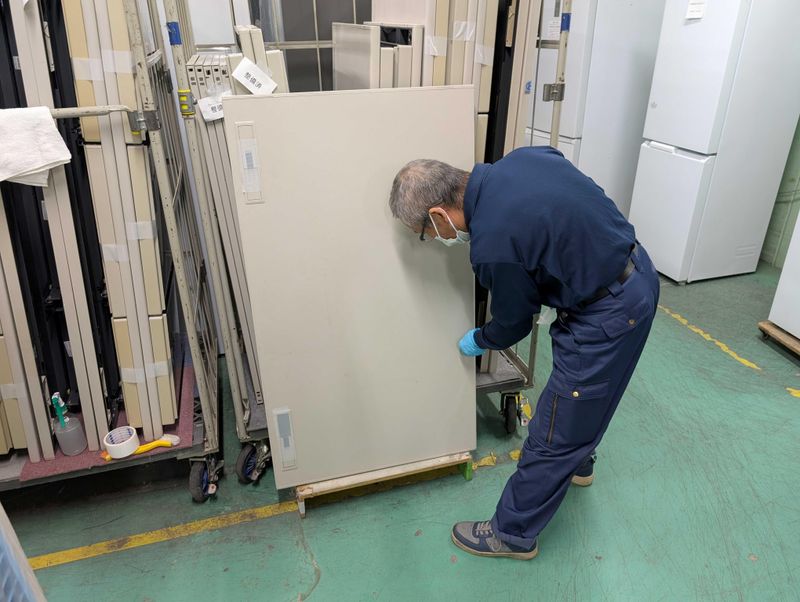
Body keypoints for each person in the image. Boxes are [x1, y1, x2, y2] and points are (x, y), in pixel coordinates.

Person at [388, 146, 660, 560]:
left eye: (425, 233)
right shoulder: (526, 158)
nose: (433, 240)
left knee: (552, 433)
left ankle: (512, 534)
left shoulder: (493, 244)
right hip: (637, 274)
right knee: (594, 396)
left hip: (606, 314)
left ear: (439, 215)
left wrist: (480, 338)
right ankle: (579, 463)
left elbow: (514, 324)